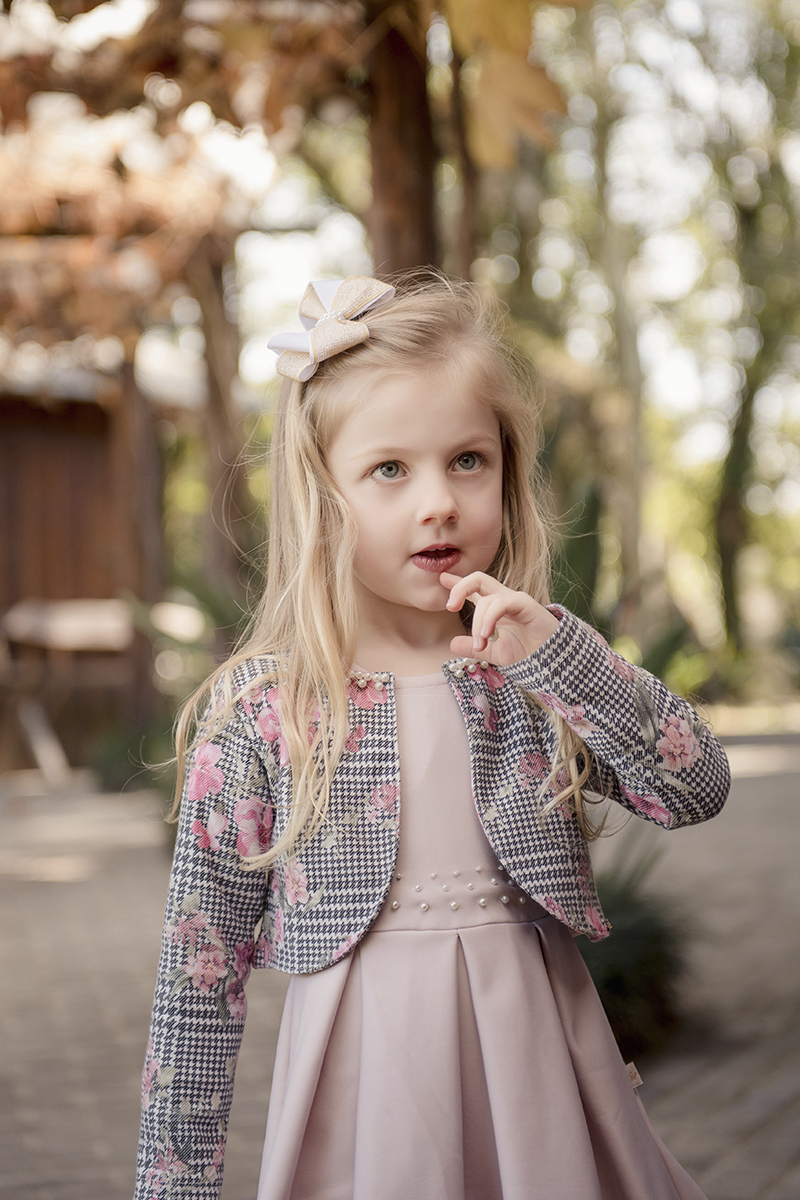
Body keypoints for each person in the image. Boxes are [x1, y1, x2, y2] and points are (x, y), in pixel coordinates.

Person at [134, 274, 730, 1200]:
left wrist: (559, 661)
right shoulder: (269, 711)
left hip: (541, 1073)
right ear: (321, 493)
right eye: (389, 470)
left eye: (467, 461)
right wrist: (173, 1188)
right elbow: (196, 981)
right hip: (367, 1093)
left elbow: (694, 787)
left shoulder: (531, 668)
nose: (439, 503)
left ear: (506, 468)